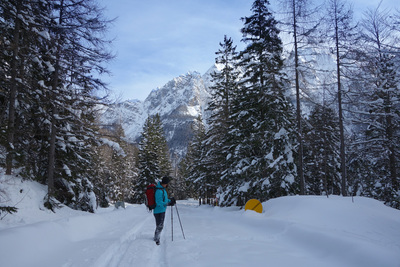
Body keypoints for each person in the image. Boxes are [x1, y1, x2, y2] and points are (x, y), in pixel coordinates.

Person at [153, 176, 176, 245]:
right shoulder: (159, 191)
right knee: (159, 225)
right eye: (166, 184)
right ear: (164, 183)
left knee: (160, 225)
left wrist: (170, 200)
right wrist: (168, 203)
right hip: (158, 211)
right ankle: (156, 238)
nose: (167, 185)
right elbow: (159, 202)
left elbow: (164, 200)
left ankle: (156, 237)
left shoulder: (162, 189)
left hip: (162, 210)